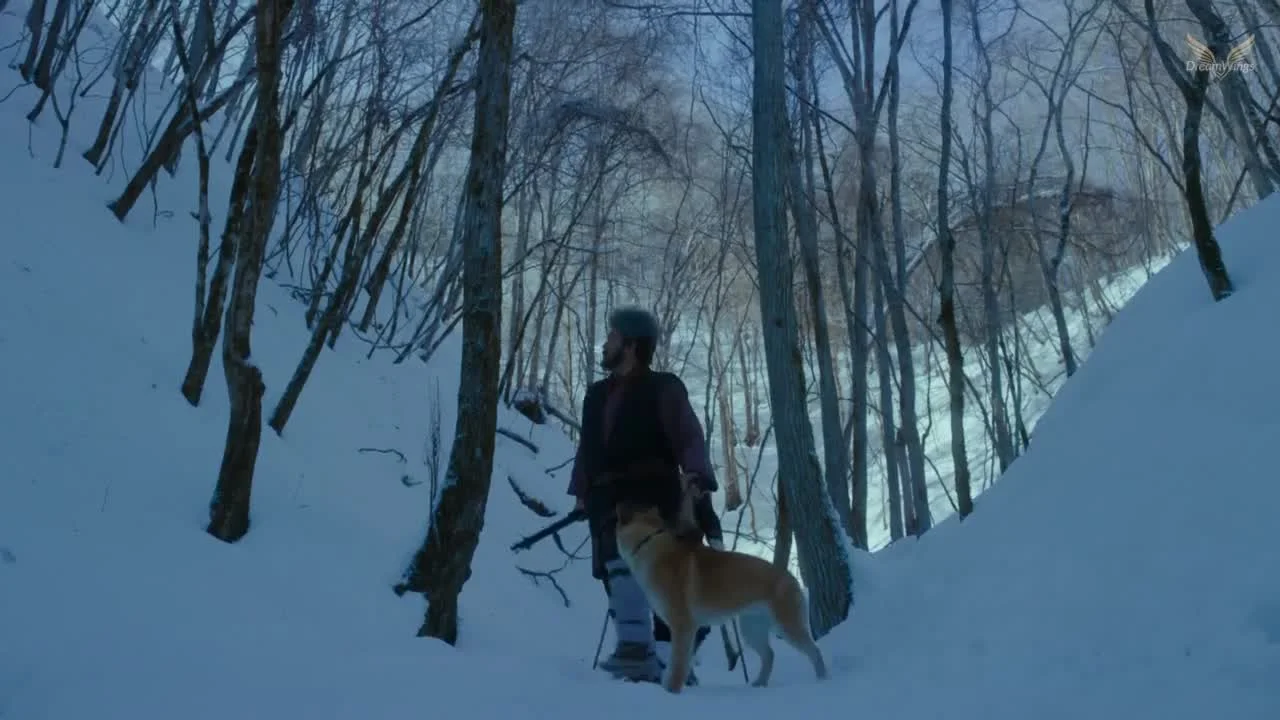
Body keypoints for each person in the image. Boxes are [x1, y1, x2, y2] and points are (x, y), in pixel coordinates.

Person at [567, 307, 721, 683]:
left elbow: (688, 436)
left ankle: (660, 653)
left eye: (612, 337)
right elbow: (587, 450)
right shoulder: (595, 395)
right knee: (618, 572)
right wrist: (581, 493)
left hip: (655, 498)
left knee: (658, 576)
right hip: (607, 501)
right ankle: (643, 651)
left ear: (631, 345)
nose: (605, 344)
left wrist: (697, 476)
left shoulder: (664, 388)